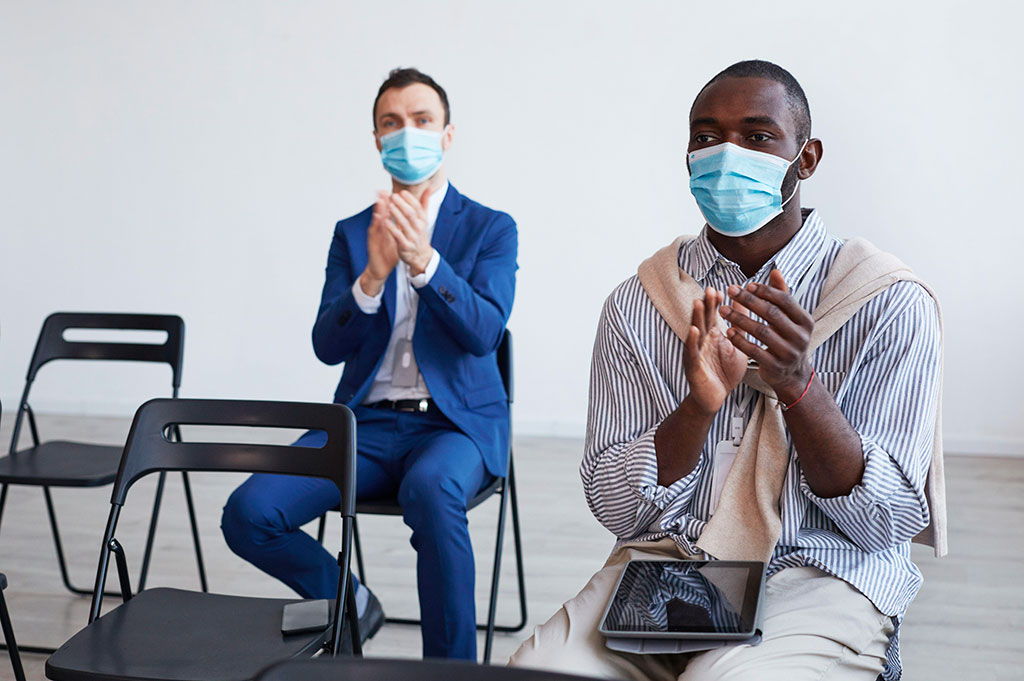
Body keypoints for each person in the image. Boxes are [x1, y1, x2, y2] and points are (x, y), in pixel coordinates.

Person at [509, 60, 942, 681]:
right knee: (539, 669)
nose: (726, 154)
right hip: (669, 564)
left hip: (819, 572)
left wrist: (797, 386)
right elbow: (614, 505)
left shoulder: (883, 299)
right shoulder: (642, 301)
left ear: (807, 158)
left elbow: (885, 519)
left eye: (758, 136)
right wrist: (698, 408)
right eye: (706, 137)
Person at [221, 67, 518, 661]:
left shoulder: (490, 227)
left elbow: (484, 332)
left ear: (448, 134)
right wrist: (373, 275)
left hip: (453, 427)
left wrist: (426, 263)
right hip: (364, 426)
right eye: (392, 123)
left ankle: (452, 672)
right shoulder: (353, 232)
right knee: (249, 513)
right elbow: (327, 345)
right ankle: (350, 601)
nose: (407, 133)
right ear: (377, 139)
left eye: (422, 121)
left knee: (431, 490)